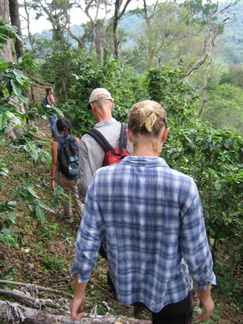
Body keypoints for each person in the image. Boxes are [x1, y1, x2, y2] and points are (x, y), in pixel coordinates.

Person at [70, 100, 216, 323]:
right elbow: (197, 250)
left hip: (126, 285)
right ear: (164, 135)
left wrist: (79, 293)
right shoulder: (183, 186)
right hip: (171, 290)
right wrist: (205, 294)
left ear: (129, 134)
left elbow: (87, 242)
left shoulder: (102, 180)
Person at [77, 87, 132, 203]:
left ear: (92, 107)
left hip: (105, 204)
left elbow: (85, 183)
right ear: (112, 104)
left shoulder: (87, 140)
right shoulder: (129, 131)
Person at [51, 118, 83, 223]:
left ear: (58, 129)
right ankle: (84, 217)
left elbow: (54, 162)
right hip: (76, 174)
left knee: (66, 195)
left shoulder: (55, 143)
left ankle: (69, 217)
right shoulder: (77, 140)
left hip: (64, 175)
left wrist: (53, 179)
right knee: (78, 196)